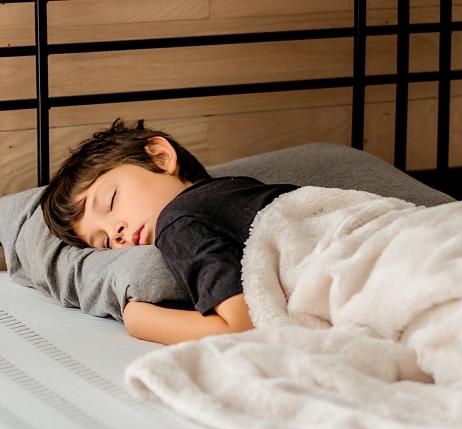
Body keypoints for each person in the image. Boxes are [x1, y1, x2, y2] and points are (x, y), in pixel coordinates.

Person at [40, 119, 298, 345]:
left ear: (160, 156)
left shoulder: (176, 221)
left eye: (111, 200)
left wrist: (139, 320)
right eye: (105, 241)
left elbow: (242, 329)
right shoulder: (236, 193)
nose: (116, 232)